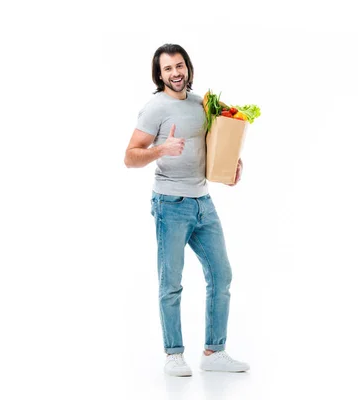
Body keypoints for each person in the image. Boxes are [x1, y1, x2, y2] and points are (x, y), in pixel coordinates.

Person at [123, 44, 249, 377]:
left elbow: (212, 151)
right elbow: (130, 156)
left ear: (187, 67)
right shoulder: (154, 108)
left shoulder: (201, 105)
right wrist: (161, 149)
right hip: (170, 205)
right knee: (171, 283)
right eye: (168, 69)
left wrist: (230, 171)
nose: (176, 73)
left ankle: (213, 350)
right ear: (159, 75)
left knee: (222, 275)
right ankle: (174, 354)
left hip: (203, 202)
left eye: (180, 66)